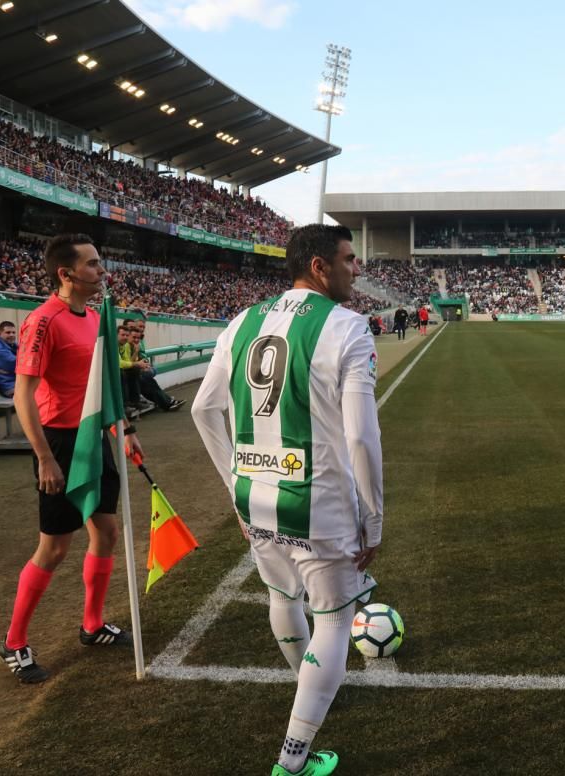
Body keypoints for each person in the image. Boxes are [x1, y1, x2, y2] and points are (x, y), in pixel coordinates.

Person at [191, 224, 383, 776]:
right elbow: (360, 437)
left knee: (282, 593)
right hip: (319, 501)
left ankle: (311, 686)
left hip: (256, 496)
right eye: (349, 259)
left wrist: (234, 486)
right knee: (335, 622)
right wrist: (372, 516)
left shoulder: (241, 321)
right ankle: (293, 761)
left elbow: (204, 411)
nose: (356, 268)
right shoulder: (347, 327)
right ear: (320, 266)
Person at [0, 233, 140, 684]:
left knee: (107, 531)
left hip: (94, 437)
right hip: (58, 443)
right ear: (67, 273)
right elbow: (23, 395)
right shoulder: (42, 321)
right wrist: (43, 457)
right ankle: (14, 641)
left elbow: (102, 389)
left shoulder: (96, 318)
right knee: (55, 547)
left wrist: (125, 430)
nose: (102, 271)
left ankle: (92, 624)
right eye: (94, 264)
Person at [130, 321, 183, 411]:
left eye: (137, 338)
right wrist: (138, 359)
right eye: (134, 337)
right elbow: (128, 363)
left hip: (135, 371)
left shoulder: (135, 345)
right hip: (129, 373)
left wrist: (143, 365)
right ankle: (167, 402)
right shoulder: (127, 346)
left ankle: (167, 401)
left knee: (149, 380)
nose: (136, 340)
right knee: (146, 380)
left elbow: (138, 360)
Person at [0, 320, 18, 397]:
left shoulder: (12, 345)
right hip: (9, 388)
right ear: (0, 334)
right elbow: (21, 365)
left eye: (13, 332)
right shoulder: (0, 351)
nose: (11, 335)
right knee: (39, 393)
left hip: (17, 384)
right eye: (8, 332)